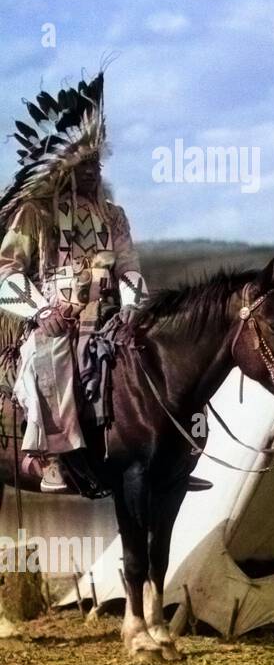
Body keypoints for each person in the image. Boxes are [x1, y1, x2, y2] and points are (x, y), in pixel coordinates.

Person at [0, 74, 148, 493]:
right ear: (63, 166)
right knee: (50, 357)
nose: (93, 171)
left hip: (110, 316)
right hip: (55, 321)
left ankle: (170, 450)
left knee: (164, 350)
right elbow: (5, 272)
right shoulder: (35, 213)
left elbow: (130, 267)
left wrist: (134, 305)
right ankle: (53, 459)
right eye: (84, 164)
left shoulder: (113, 216)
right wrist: (42, 313)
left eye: (97, 163)